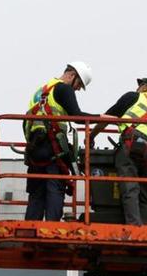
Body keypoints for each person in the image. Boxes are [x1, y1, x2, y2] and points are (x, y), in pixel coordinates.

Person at [90, 75, 147, 225]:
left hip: (131, 145)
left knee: (130, 187)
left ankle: (134, 227)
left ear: (146, 87)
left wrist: (91, 136)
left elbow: (107, 118)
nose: (138, 88)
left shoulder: (133, 97)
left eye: (140, 85)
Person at [24, 62, 107, 221]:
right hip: (52, 147)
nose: (77, 89)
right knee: (55, 188)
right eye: (79, 85)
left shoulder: (42, 90)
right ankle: (52, 227)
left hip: (35, 147)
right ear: (72, 75)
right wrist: (100, 118)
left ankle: (30, 228)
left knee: (36, 193)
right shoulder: (64, 88)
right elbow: (76, 116)